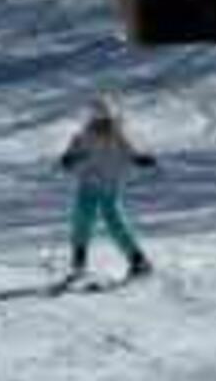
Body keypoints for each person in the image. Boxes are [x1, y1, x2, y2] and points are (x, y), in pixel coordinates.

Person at [59, 96, 156, 280]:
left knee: (115, 222)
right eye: (100, 122)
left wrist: (140, 159)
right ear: (92, 120)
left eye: (107, 121)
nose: (104, 126)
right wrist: (68, 159)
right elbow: (72, 153)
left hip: (110, 186)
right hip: (88, 184)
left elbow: (130, 152)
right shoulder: (83, 136)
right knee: (82, 219)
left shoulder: (119, 135)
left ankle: (138, 260)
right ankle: (79, 261)